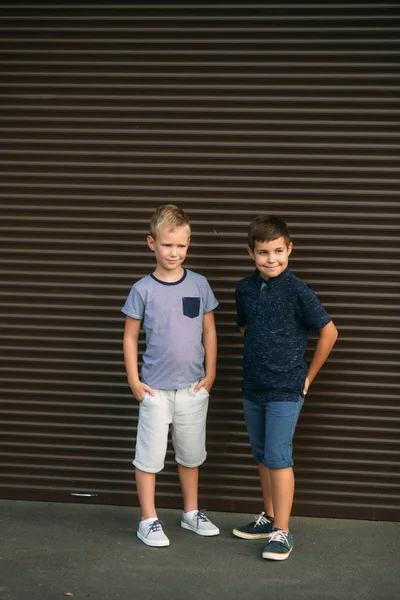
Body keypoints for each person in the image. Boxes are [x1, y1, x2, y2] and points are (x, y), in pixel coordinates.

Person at [232, 215, 338, 561]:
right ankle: (269, 517)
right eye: (264, 252)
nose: (272, 259)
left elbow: (329, 332)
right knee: (262, 456)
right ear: (252, 254)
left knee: (279, 458)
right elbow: (245, 328)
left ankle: (283, 530)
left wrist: (307, 377)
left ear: (289, 249)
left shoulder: (298, 291)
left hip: (285, 390)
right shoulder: (244, 289)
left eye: (279, 251)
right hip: (253, 388)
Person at [122, 204, 220, 548]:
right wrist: (135, 382)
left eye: (181, 245)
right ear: (152, 243)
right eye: (167, 245)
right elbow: (130, 337)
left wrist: (209, 376)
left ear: (188, 245)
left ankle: (190, 513)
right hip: (155, 390)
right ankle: (148, 519)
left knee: (190, 455)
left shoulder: (199, 284)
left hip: (192, 388)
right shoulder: (142, 289)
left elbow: (209, 331)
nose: (174, 252)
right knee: (149, 457)